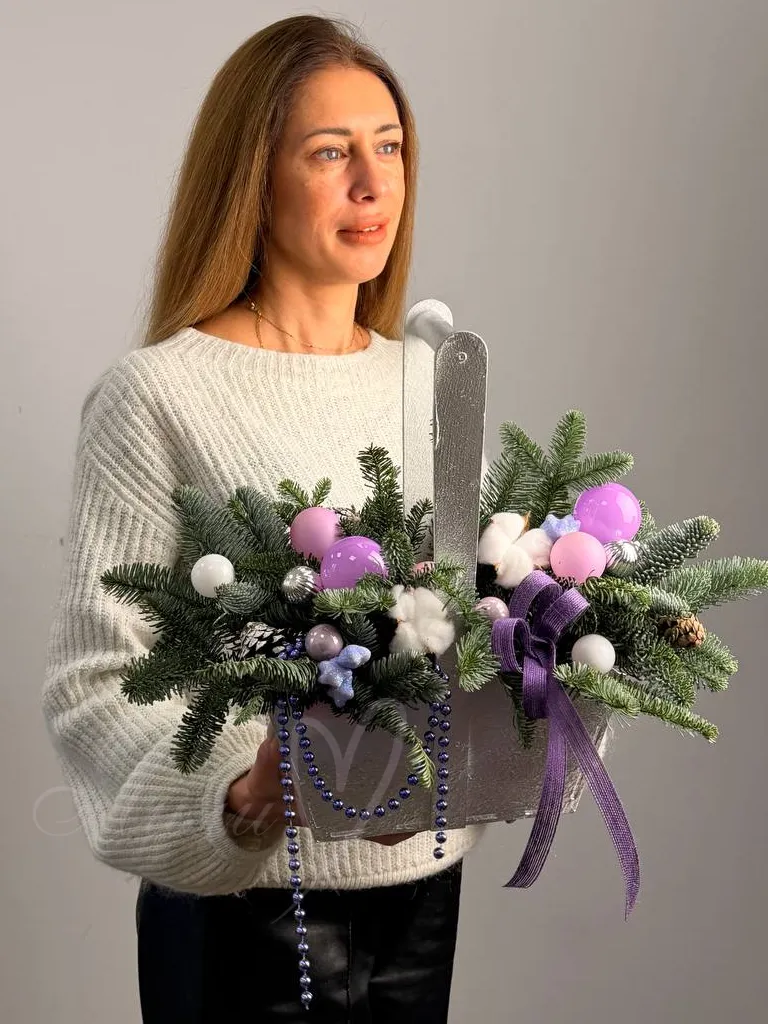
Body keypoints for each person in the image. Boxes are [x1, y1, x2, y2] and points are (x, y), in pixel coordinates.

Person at [42, 14, 487, 1022]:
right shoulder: (157, 397)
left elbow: (476, 622)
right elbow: (95, 683)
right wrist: (238, 797)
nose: (372, 184)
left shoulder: (431, 386)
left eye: (389, 147)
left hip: (423, 896)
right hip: (244, 917)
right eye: (331, 153)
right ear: (254, 178)